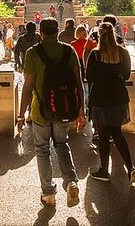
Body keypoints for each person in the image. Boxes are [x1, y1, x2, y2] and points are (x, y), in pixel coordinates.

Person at [17, 18, 86, 207]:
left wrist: (21, 114)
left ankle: (48, 193)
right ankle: (71, 181)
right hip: (64, 107)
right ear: (58, 31)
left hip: (40, 111)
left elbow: (28, 86)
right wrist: (81, 109)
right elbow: (78, 82)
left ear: (41, 32)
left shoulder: (33, 53)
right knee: (62, 144)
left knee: (42, 150)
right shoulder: (68, 50)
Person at [86, 22, 135, 183]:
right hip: (118, 97)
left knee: (103, 135)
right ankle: (131, 168)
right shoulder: (123, 52)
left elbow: (89, 77)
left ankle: (104, 171)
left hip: (100, 98)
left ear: (99, 35)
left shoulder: (95, 54)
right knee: (117, 133)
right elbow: (127, 74)